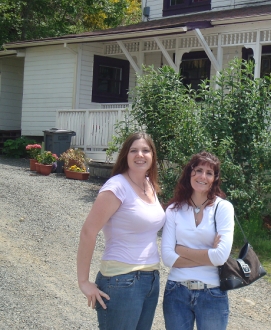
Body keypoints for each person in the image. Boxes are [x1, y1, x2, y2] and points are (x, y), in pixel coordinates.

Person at [77, 132, 165, 330]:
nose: (140, 155)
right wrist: (83, 281)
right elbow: (88, 232)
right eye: (134, 150)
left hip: (150, 279)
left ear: (153, 156)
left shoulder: (149, 184)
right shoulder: (116, 187)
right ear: (125, 155)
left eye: (145, 150)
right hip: (121, 280)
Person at [161, 151, 234, 330]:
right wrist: (208, 256)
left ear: (215, 179)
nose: (203, 176)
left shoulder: (223, 208)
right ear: (189, 172)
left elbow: (220, 257)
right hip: (176, 291)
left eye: (209, 173)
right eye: (199, 170)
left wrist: (181, 249)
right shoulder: (173, 210)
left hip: (213, 292)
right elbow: (168, 258)